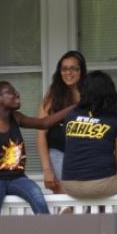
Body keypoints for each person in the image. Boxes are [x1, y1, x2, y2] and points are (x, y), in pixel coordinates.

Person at [0, 81, 72, 215]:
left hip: (17, 178)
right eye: (11, 92)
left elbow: (44, 123)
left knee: (37, 196)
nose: (17, 94)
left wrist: (74, 107)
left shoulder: (16, 117)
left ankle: (50, 233)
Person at [60, 71, 117, 199]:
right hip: (101, 183)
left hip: (69, 184)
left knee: (100, 193)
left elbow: (71, 147)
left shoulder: (71, 115)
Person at [37, 51, 87, 193]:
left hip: (85, 155)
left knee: (88, 201)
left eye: (73, 68)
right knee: (66, 199)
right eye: (64, 69)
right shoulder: (53, 94)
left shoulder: (90, 94)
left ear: (81, 70)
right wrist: (47, 170)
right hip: (58, 153)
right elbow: (41, 134)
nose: (68, 73)